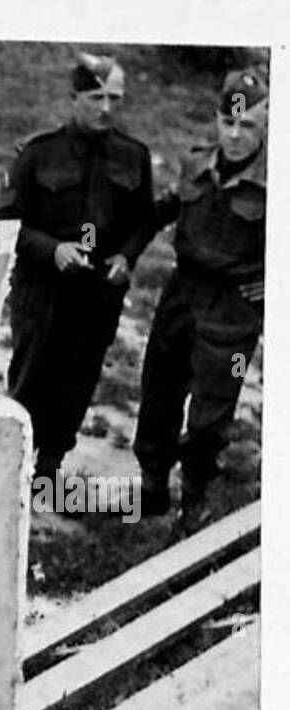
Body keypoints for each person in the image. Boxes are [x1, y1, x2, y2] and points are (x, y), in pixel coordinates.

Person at [0, 54, 155, 493]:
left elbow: (144, 221)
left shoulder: (133, 157)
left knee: (76, 383)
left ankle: (48, 467)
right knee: (31, 376)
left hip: (97, 294)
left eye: (114, 99)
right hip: (42, 290)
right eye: (95, 97)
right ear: (74, 98)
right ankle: (13, 469)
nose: (105, 108)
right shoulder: (37, 154)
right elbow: (7, 222)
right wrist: (53, 250)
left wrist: (127, 257)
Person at [134, 68, 267, 529]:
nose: (233, 135)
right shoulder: (197, 164)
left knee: (212, 411)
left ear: (266, 122)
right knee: (158, 390)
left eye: (246, 126)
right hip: (182, 293)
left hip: (233, 311)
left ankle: (194, 501)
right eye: (227, 123)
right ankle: (152, 485)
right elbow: (161, 209)